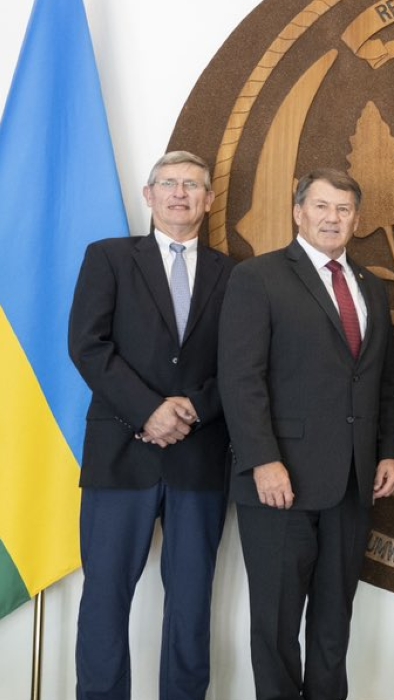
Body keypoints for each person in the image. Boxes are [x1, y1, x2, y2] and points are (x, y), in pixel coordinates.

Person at [218, 169, 394, 700]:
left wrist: (389, 452)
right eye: (321, 206)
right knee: (276, 625)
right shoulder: (258, 277)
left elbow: (384, 381)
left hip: (352, 483)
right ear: (298, 212)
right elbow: (241, 378)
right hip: (281, 482)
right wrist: (262, 460)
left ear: (357, 220)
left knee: (333, 623)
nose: (331, 218)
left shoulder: (371, 288)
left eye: (343, 209)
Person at [68, 151, 235, 700]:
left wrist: (192, 410)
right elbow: (88, 346)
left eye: (192, 185)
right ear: (149, 195)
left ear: (209, 200)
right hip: (121, 453)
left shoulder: (235, 274)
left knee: (191, 605)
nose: (180, 193)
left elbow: (242, 364)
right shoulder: (109, 258)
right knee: (105, 600)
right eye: (168, 183)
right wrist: (149, 411)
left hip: (199, 457)